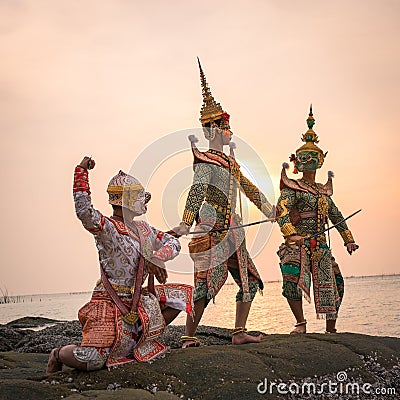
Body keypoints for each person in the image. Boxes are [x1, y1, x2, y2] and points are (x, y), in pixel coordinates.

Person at [46, 157, 193, 374]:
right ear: (127, 200)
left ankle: (137, 341)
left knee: (183, 297)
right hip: (110, 301)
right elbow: (84, 212)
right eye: (139, 197)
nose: (144, 202)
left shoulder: (144, 229)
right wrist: (81, 173)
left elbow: (172, 243)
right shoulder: (107, 228)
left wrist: (156, 257)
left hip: (137, 299)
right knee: (94, 361)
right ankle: (58, 354)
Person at [172, 60, 275, 348]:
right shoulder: (205, 160)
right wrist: (185, 221)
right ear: (214, 129)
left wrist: (270, 210)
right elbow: (197, 190)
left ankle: (238, 331)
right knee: (205, 286)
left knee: (250, 281)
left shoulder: (230, 162)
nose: (230, 131)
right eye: (226, 126)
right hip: (212, 227)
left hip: (234, 230)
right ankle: (188, 336)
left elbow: (249, 188)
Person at [276, 106, 359, 334]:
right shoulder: (293, 188)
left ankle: (331, 329)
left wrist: (348, 239)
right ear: (298, 162)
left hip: (320, 245)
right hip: (298, 243)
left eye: (313, 157)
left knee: (336, 284)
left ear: (319, 161)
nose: (308, 161)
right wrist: (292, 234)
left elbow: (337, 217)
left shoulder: (323, 192)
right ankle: (301, 323)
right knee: (290, 277)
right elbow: (281, 211)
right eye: (304, 157)